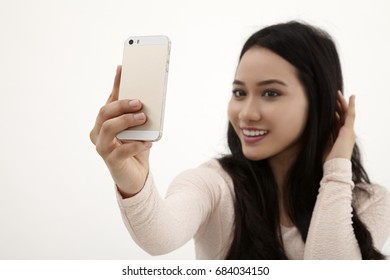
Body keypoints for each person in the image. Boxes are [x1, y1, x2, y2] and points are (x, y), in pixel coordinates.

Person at [90, 21, 390, 259]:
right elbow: (160, 237)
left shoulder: (369, 202)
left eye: (270, 93)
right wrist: (131, 180)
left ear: (320, 102)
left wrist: (336, 168)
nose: (246, 113)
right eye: (239, 92)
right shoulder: (214, 183)